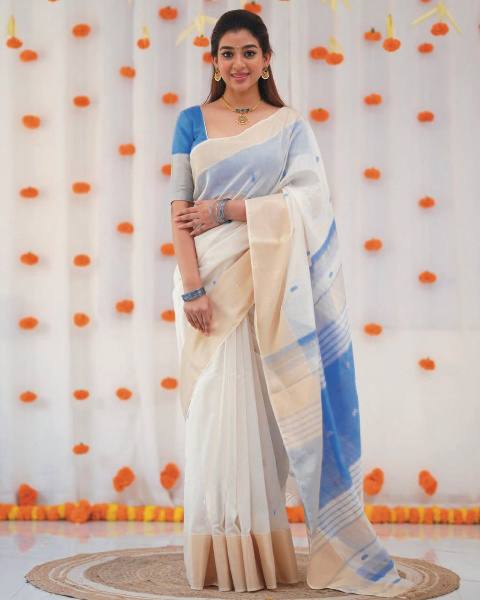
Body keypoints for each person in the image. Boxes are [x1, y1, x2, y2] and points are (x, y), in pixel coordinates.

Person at [169, 8, 417, 597]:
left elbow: (312, 204)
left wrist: (229, 210)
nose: (238, 63)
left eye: (248, 52)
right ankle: (220, 555)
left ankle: (264, 556)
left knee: (262, 419)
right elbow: (178, 212)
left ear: (266, 59)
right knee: (217, 417)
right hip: (210, 284)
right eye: (227, 53)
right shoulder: (190, 121)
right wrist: (193, 287)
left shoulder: (289, 125)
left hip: (271, 284)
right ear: (214, 61)